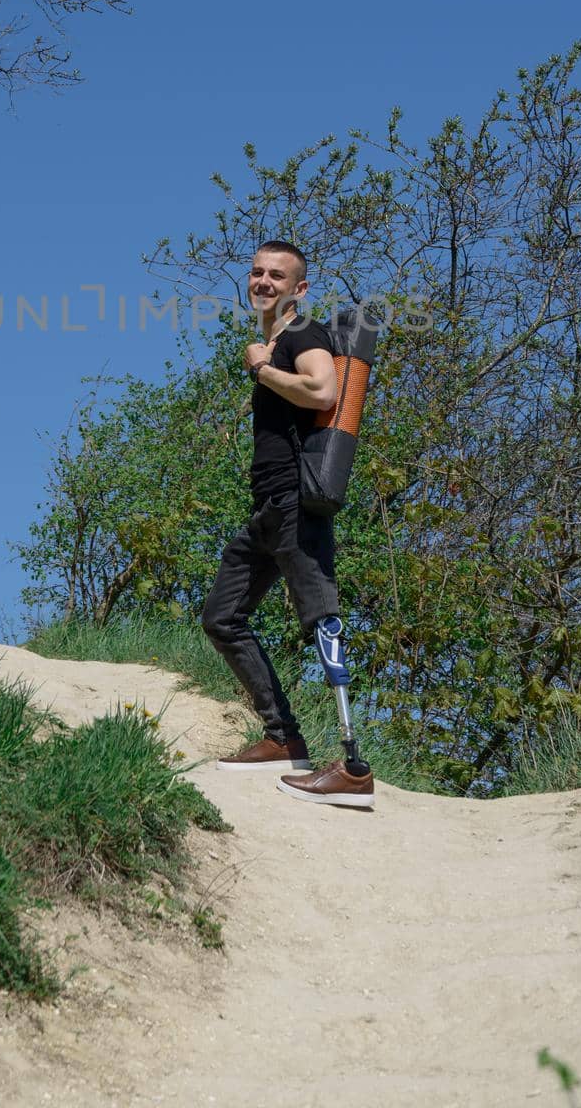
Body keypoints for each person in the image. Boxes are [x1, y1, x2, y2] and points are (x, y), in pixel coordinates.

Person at [201, 240, 375, 810]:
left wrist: (260, 367)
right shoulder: (274, 341)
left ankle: (352, 768)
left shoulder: (303, 337)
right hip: (267, 511)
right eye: (256, 272)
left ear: (299, 289)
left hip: (296, 503)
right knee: (223, 618)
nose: (263, 281)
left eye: (277, 275)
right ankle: (284, 738)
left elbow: (323, 389)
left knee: (322, 617)